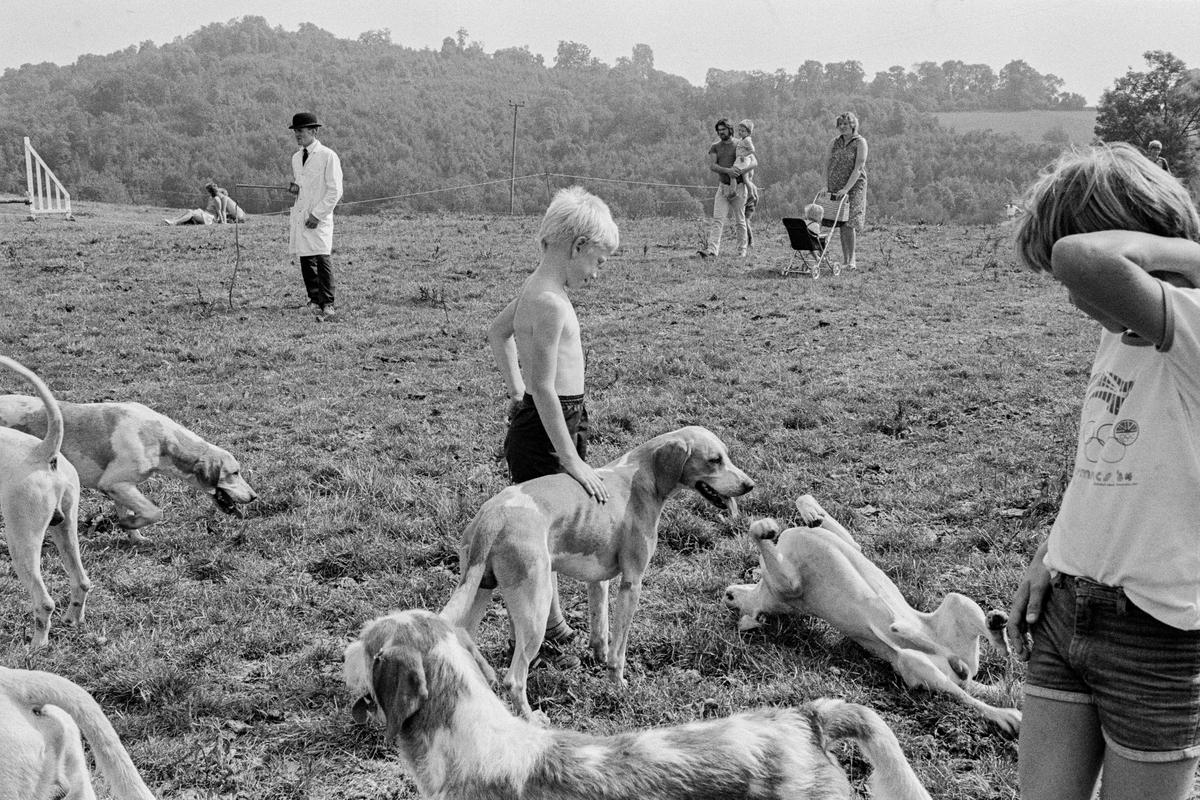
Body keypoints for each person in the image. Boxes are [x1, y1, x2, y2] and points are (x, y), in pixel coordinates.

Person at [1008, 142, 1200, 800]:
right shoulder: (1120, 335)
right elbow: (1101, 461)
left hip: (1160, 636)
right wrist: (1051, 550)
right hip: (1068, 610)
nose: (1073, 299)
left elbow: (1082, 257)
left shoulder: (1195, 332)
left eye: (1080, 289)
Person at [487, 186, 619, 669]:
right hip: (549, 428)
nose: (597, 273)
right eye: (598, 261)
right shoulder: (549, 303)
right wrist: (570, 459)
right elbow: (545, 388)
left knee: (551, 531)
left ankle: (555, 627)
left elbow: (497, 333)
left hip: (556, 418)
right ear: (578, 245)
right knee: (542, 535)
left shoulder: (539, 291)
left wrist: (514, 390)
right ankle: (545, 633)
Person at [287, 112, 344, 323]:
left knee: (321, 256)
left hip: (318, 216)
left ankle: (327, 302)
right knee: (305, 257)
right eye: (295, 131)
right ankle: (313, 298)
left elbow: (335, 190)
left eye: (301, 131)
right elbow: (303, 186)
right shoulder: (296, 157)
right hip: (302, 214)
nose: (297, 135)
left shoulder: (328, 156)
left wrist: (317, 215)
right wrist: (296, 189)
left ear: (313, 131)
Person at [697, 118, 748, 259]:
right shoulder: (715, 147)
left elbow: (752, 161)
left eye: (723, 130)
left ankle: (742, 251)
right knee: (718, 219)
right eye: (719, 131)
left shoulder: (740, 144)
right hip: (723, 187)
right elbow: (713, 166)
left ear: (730, 129)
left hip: (739, 187)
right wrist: (728, 171)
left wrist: (746, 179)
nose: (721, 133)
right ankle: (712, 250)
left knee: (740, 220)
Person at [826, 111, 868, 269]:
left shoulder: (860, 142)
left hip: (854, 186)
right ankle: (846, 260)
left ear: (853, 125)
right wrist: (826, 185)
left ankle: (851, 261)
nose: (843, 127)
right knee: (841, 222)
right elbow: (826, 164)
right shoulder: (834, 142)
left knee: (849, 223)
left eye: (846, 124)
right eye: (840, 124)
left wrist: (846, 188)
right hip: (836, 186)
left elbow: (858, 167)